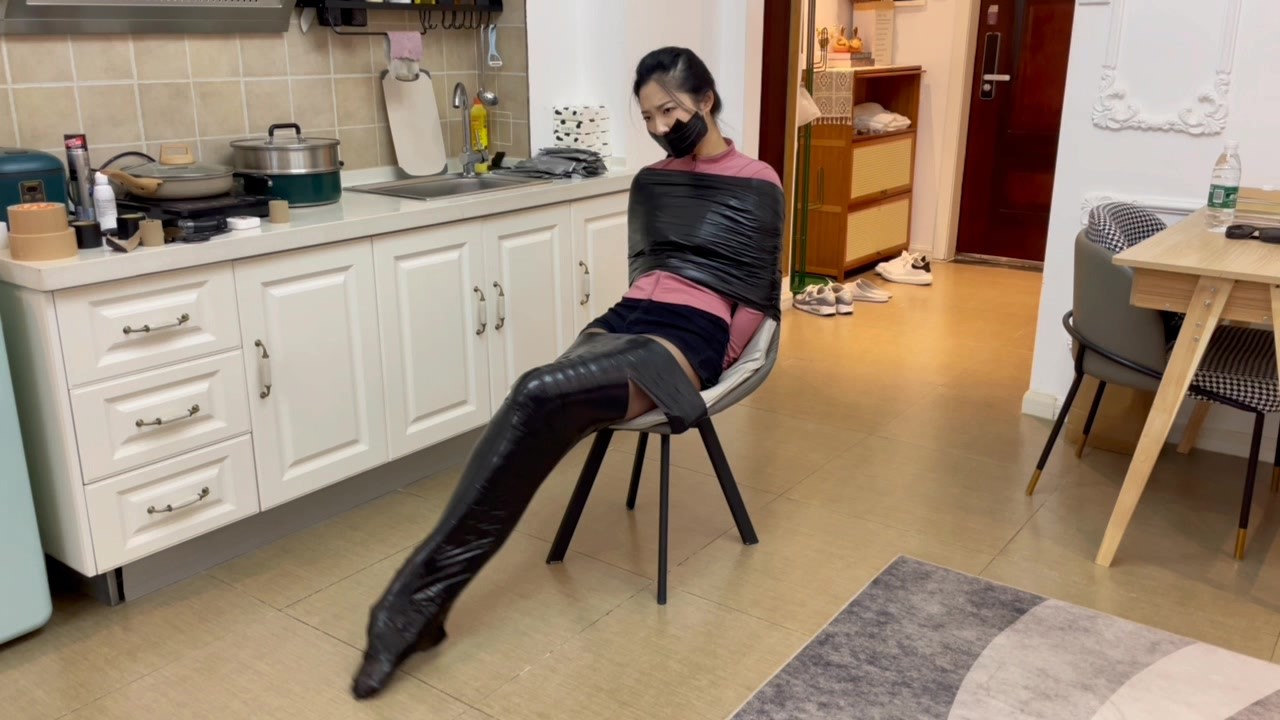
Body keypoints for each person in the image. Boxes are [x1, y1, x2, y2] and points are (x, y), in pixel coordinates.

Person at [352, 46, 784, 699]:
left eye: (670, 110)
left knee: (537, 391)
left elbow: (755, 296)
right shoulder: (652, 181)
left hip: (691, 337)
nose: (661, 127)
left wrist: (714, 368)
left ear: (706, 100)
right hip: (624, 321)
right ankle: (421, 606)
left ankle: (405, 607)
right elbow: (645, 272)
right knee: (537, 400)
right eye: (649, 116)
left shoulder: (757, 181)